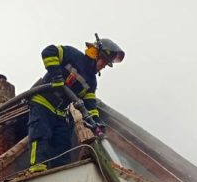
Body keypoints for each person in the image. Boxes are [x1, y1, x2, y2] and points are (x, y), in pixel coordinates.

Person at [28, 35, 125, 173]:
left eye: (106, 64)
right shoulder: (72, 55)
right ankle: (37, 169)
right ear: (95, 53)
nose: (103, 66)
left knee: (63, 143)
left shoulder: (91, 81)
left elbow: (90, 104)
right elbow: (48, 52)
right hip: (43, 102)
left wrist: (95, 122)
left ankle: (60, 173)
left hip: (61, 112)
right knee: (41, 134)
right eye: (103, 60)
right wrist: (56, 75)